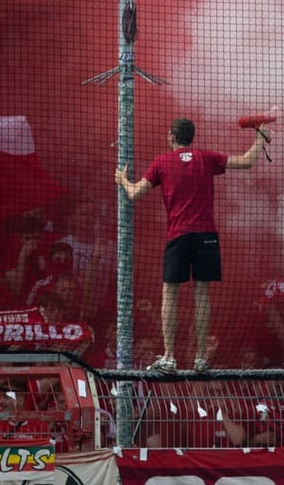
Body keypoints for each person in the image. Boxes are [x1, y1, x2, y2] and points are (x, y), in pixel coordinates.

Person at [115, 117, 268, 373]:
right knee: (201, 295)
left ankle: (170, 357)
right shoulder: (206, 157)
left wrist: (121, 179)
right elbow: (247, 161)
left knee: (170, 296)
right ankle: (200, 358)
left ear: (171, 136)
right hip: (206, 235)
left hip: (178, 235)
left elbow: (134, 193)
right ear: (191, 137)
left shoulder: (161, 162)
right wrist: (260, 137)